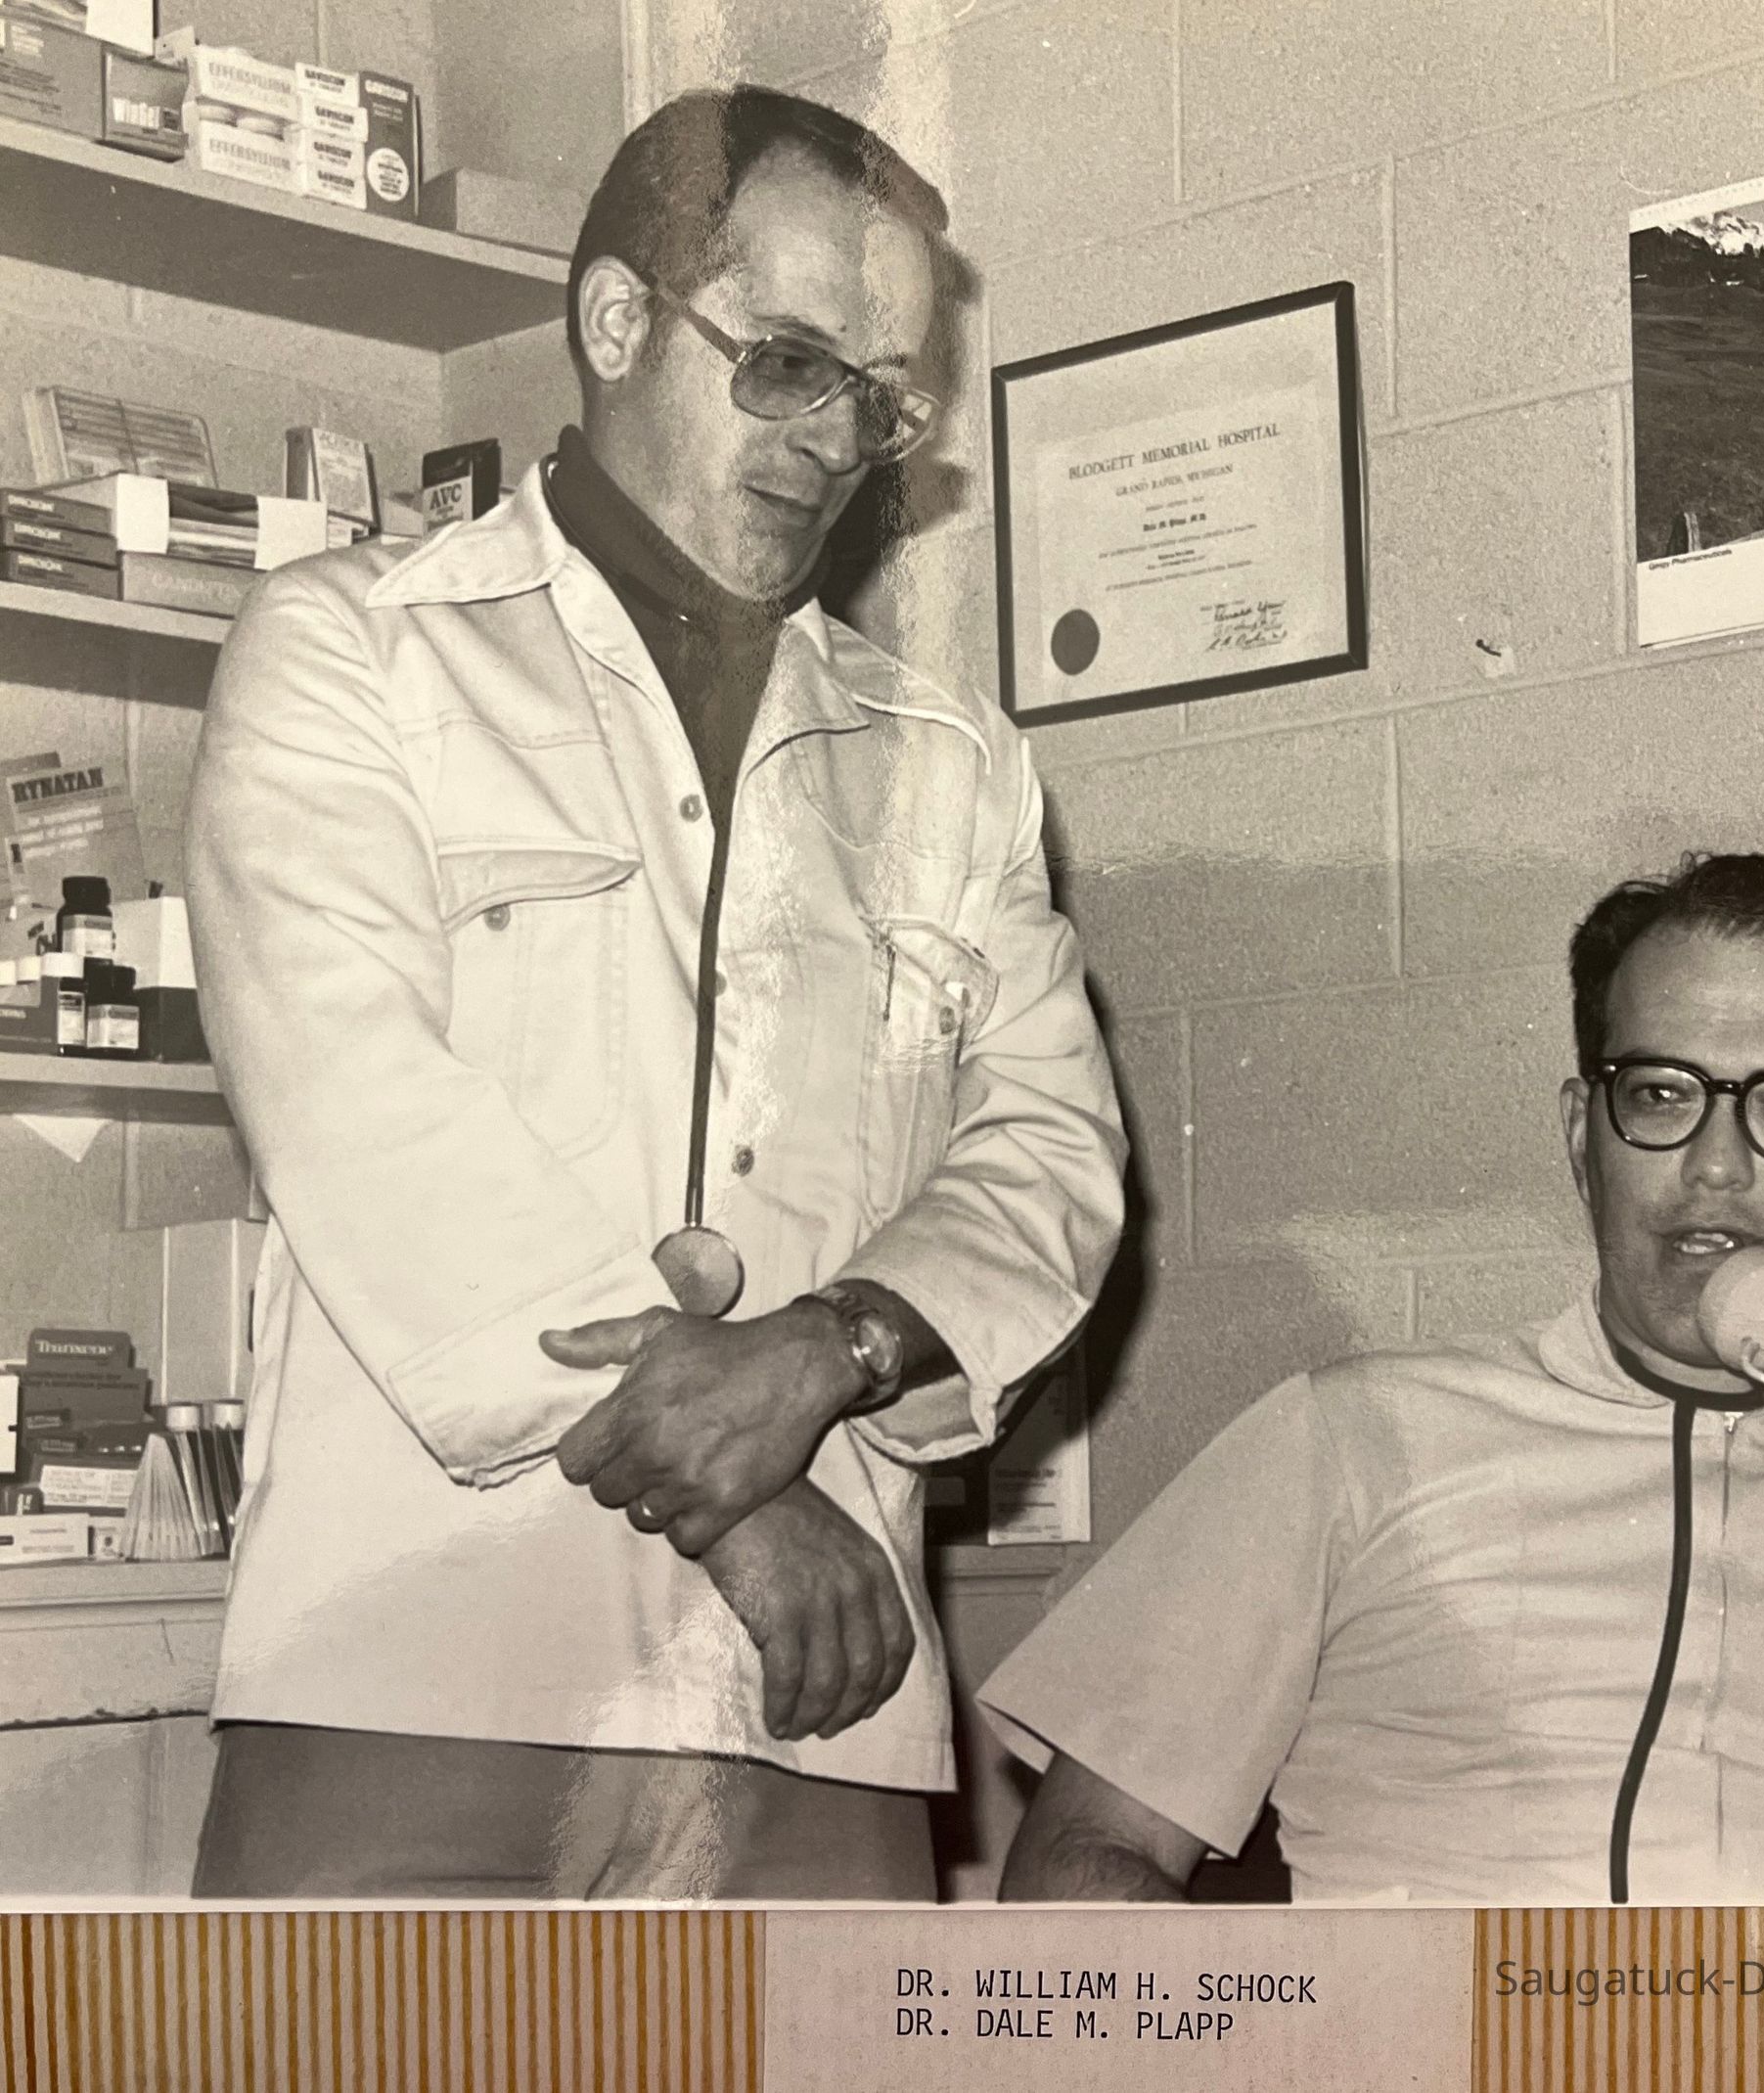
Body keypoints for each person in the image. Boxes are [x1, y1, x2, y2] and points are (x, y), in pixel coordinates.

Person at [183, 88, 1125, 1898]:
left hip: (820, 1700)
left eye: (880, 397)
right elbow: (361, 1106)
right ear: (618, 321)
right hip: (420, 1682)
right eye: (787, 363)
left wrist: (836, 1346)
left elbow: (1051, 1157)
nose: (836, 440)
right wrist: (744, 1497)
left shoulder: (954, 765)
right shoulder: (352, 653)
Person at [984, 851, 1764, 1905]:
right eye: (1661, 1093)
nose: (1714, 1167)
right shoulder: (1352, 1437)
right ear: (1584, 1137)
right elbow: (1084, 1857)